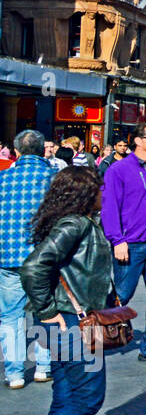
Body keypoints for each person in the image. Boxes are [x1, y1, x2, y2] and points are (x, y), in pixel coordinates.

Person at [0, 167, 115, 415]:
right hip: (72, 323)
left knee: (66, 396)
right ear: (85, 194)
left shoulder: (69, 221)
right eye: (99, 190)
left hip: (67, 322)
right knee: (88, 398)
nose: (103, 196)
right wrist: (48, 310)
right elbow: (33, 267)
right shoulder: (75, 224)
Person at [101, 121, 146, 363]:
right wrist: (117, 239)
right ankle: (100, 333)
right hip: (129, 243)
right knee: (121, 293)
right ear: (138, 141)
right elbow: (109, 207)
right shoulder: (118, 170)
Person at [0, 130, 55, 388]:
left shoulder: (3, 179)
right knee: (44, 313)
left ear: (16, 153)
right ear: (44, 150)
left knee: (10, 316)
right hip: (43, 257)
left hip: (8, 256)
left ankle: (14, 374)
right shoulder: (54, 179)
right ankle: (43, 367)